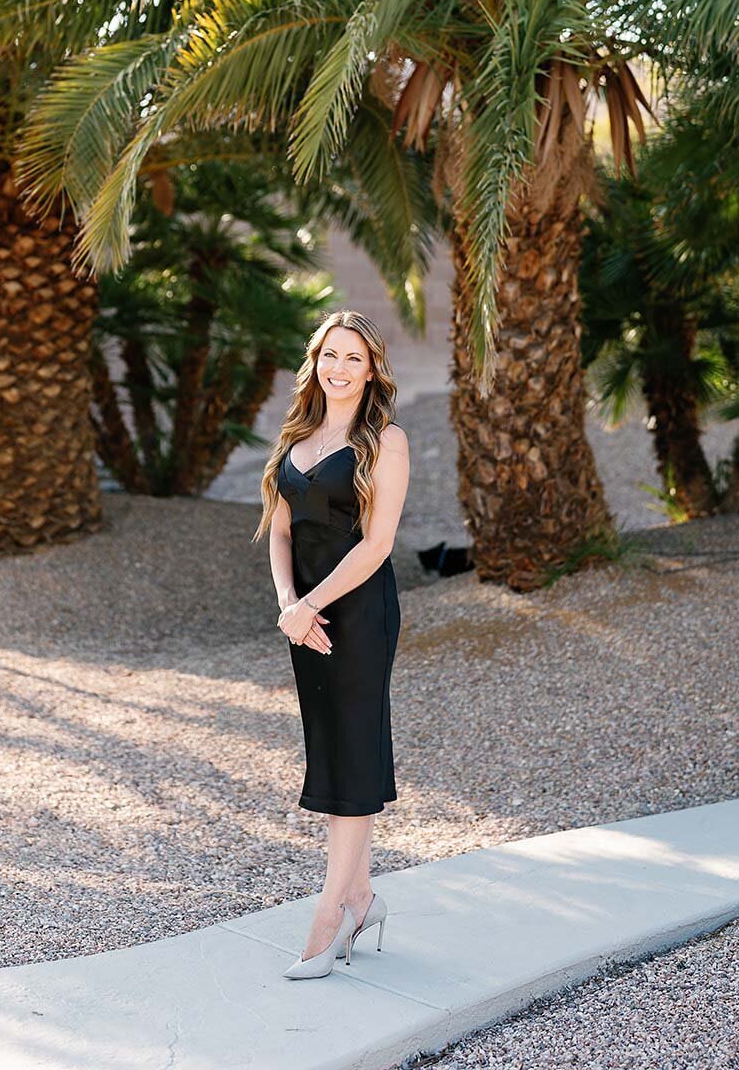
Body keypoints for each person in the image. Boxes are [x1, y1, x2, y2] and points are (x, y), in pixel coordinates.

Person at [252, 310, 409, 979]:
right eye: (329, 355)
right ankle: (362, 897)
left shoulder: (385, 442)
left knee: (350, 750)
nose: (339, 369)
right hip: (304, 617)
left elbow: (377, 544)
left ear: (371, 370)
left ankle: (329, 913)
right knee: (337, 749)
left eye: (353, 358)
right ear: (314, 362)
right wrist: (290, 604)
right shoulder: (296, 435)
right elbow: (280, 532)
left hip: (357, 611)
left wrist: (313, 603)